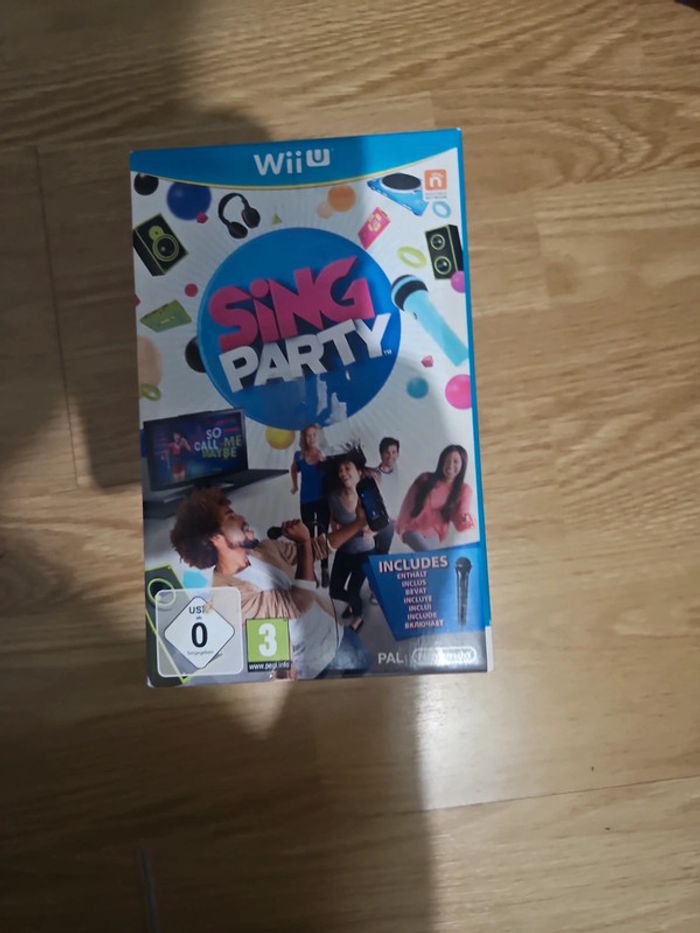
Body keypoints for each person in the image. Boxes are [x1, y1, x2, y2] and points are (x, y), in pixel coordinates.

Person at [170, 488, 370, 679]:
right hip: (311, 665)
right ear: (214, 538)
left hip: (336, 633)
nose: (242, 518)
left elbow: (318, 548)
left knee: (365, 672)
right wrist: (303, 544)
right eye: (231, 517)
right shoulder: (226, 596)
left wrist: (359, 522)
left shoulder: (263, 549)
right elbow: (298, 603)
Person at [326, 449, 376, 630]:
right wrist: (335, 527)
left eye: (348, 468)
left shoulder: (369, 495)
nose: (343, 473)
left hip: (365, 552)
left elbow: (381, 523)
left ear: (359, 472)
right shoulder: (333, 497)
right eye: (340, 470)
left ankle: (358, 616)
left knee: (354, 589)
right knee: (334, 590)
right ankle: (355, 603)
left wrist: (373, 531)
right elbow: (333, 519)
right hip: (344, 551)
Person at [396, 444, 474, 551]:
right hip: (412, 528)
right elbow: (407, 504)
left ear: (463, 464)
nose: (450, 465)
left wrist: (464, 519)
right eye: (447, 460)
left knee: (431, 557)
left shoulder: (464, 489)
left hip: (434, 533)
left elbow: (461, 514)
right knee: (429, 554)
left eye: (455, 461)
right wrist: (402, 527)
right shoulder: (425, 478)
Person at [290, 424, 330, 587]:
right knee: (308, 536)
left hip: (323, 500)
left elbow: (334, 474)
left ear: (318, 436)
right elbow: (293, 469)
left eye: (314, 435)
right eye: (308, 435)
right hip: (306, 501)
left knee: (322, 535)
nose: (311, 438)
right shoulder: (299, 455)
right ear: (304, 438)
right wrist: (295, 486)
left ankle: (325, 568)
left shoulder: (325, 454)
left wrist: (325, 462)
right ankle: (310, 570)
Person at [370, 436, 401, 555]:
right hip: (377, 522)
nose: (390, 456)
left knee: (383, 554)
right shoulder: (374, 475)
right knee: (372, 554)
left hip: (391, 522)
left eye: (394, 452)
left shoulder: (396, 470)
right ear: (381, 454)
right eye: (387, 452)